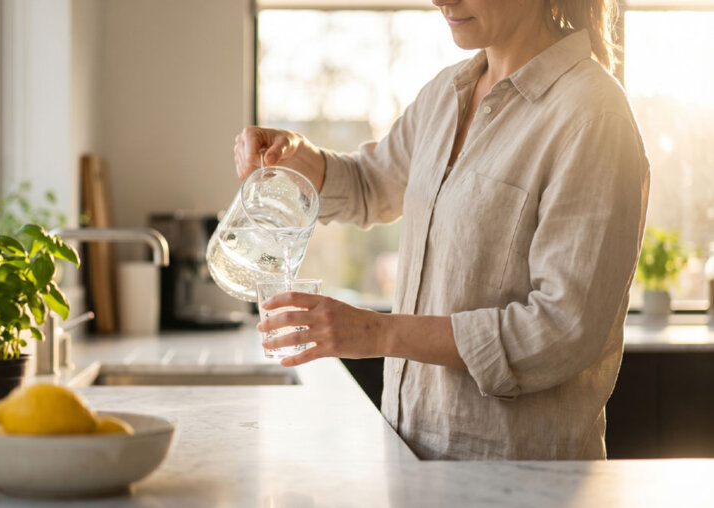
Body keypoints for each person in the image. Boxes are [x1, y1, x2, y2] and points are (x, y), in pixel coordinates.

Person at [233, 0, 649, 460]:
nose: (440, 0)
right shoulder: (445, 93)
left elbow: (560, 330)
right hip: (412, 464)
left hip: (519, 482)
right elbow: (371, 184)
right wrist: (298, 156)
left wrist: (378, 333)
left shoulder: (592, 114)